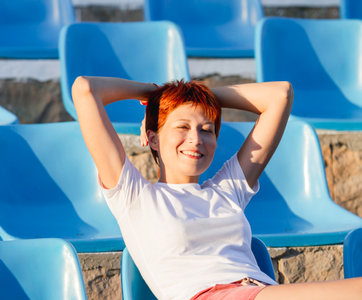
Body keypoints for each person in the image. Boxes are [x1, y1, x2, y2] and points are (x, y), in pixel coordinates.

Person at [71, 76, 362, 300]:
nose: (196, 139)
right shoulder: (134, 196)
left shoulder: (227, 189)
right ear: (153, 138)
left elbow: (281, 94)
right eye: (182, 127)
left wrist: (200, 96)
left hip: (258, 290)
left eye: (206, 130)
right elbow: (85, 89)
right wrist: (156, 94)